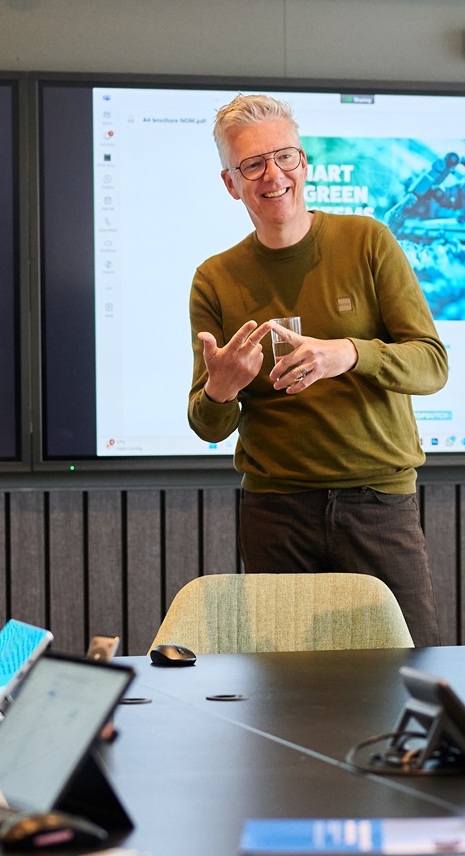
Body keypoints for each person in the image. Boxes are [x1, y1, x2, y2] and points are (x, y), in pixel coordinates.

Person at [187, 93, 449, 644]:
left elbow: (432, 365)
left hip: (379, 503)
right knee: (286, 694)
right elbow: (208, 425)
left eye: (284, 157)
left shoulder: (368, 242)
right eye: (252, 164)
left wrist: (349, 353)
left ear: (304, 164)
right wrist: (220, 390)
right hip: (276, 511)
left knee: (410, 674)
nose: (273, 175)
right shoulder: (215, 278)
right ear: (231, 183)